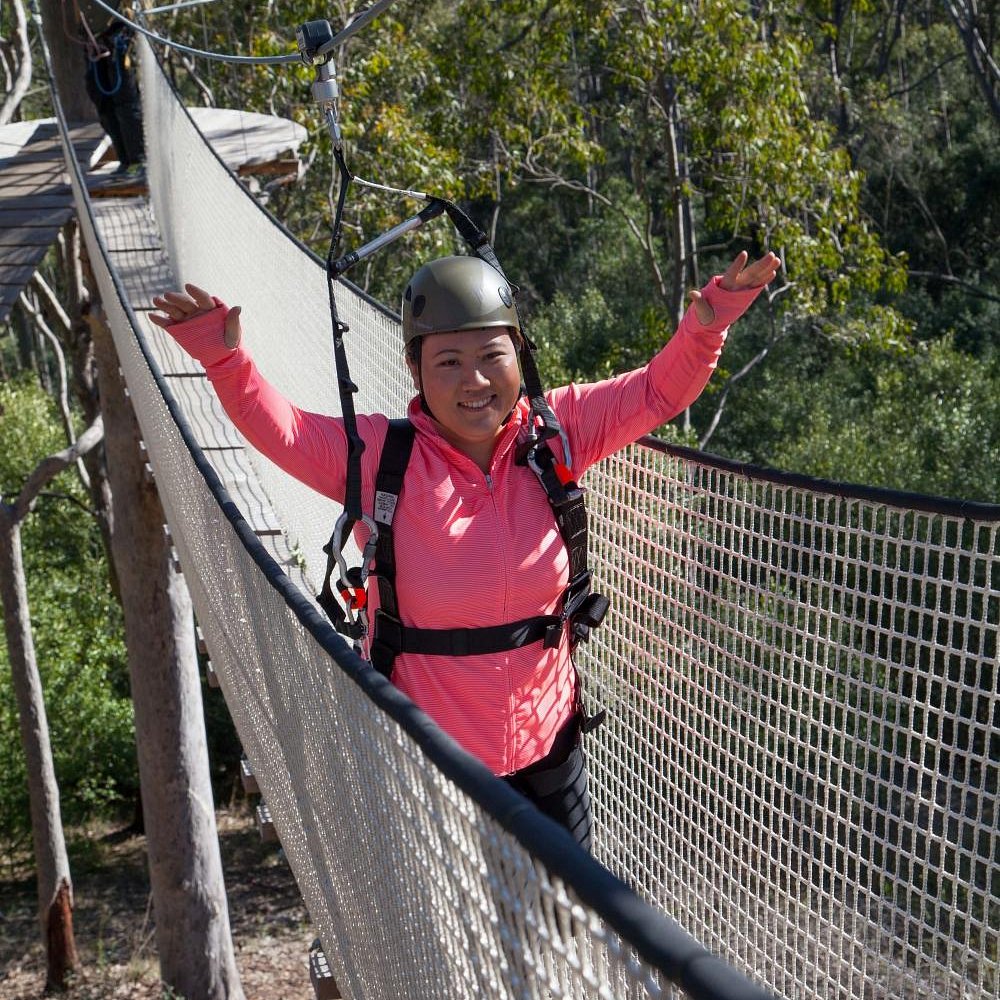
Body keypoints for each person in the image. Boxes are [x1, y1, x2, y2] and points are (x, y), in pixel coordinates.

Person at [150, 249, 780, 849]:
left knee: (566, 928)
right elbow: (287, 432)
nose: (475, 380)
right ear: (416, 372)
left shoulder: (556, 432)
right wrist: (226, 361)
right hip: (430, 758)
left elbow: (655, 393)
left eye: (492, 356)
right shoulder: (382, 459)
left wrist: (707, 323)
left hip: (550, 743)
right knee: (460, 950)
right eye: (448, 361)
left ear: (519, 356)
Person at [83, 12, 145, 179]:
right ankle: (125, 160)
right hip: (94, 35)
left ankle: (138, 161)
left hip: (119, 34)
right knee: (104, 104)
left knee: (126, 105)